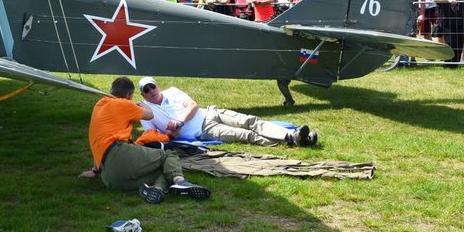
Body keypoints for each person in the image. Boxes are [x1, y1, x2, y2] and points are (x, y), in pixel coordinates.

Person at [81, 77, 212, 203]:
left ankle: (157, 190)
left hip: (108, 176)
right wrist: (143, 105)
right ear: (130, 95)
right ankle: (180, 182)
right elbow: (149, 115)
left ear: (112, 90)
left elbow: (98, 140)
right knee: (168, 156)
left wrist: (95, 170)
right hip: (119, 154)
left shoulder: (99, 104)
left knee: (164, 171)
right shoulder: (124, 104)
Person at [137, 77, 317, 146]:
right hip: (204, 131)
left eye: (152, 87)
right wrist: (172, 132)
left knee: (250, 121)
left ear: (157, 85)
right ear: (142, 94)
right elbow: (154, 136)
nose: (151, 91)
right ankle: (296, 140)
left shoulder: (173, 91)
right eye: (146, 90)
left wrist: (180, 122)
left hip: (210, 113)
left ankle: (292, 136)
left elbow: (193, 105)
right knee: (245, 135)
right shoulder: (147, 111)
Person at [432, 0, 464, 67]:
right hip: (447, 21)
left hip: (460, 21)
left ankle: (455, 64)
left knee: (459, 43)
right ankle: (447, 64)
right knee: (451, 43)